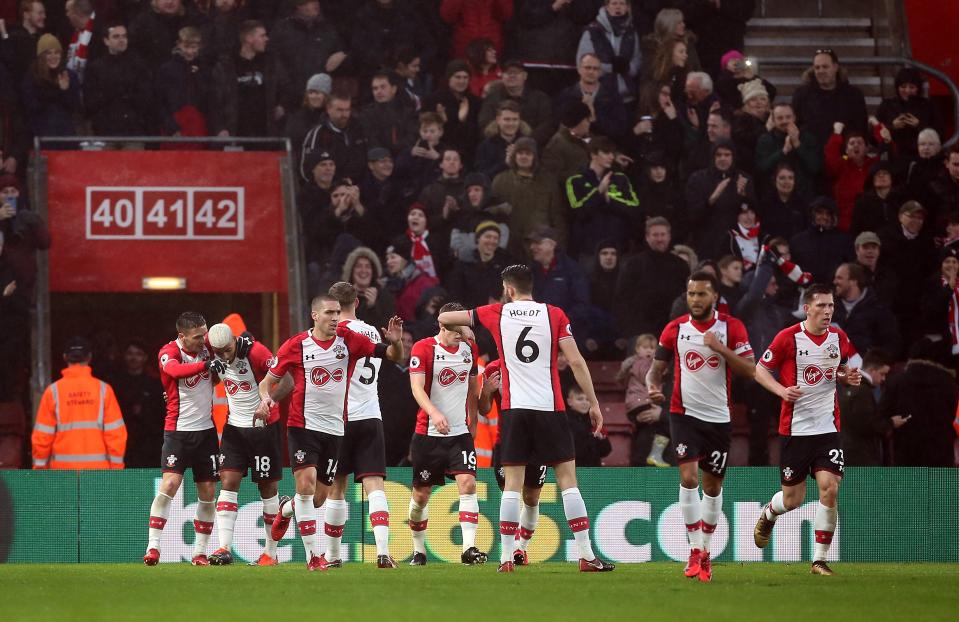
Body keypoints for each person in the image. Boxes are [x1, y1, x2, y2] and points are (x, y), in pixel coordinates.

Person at [437, 264, 616, 572]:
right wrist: (595, 403)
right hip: (550, 407)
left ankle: (506, 558)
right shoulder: (555, 314)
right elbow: (575, 360)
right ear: (533, 287)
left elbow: (444, 318)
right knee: (568, 483)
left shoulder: (497, 312)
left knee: (513, 485)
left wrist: (468, 326)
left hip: (515, 411)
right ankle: (586, 555)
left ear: (508, 289)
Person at [257, 295, 403, 571]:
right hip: (303, 426)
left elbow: (393, 357)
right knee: (306, 483)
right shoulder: (296, 345)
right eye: (329, 313)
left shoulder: (349, 339)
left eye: (337, 312)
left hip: (336, 429)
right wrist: (266, 399)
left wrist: (394, 341)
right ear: (314, 316)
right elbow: (267, 383)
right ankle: (314, 558)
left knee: (319, 498)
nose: (335, 318)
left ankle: (286, 509)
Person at [647, 271, 754, 582]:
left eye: (701, 294)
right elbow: (655, 371)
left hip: (718, 419)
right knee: (688, 476)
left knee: (712, 486)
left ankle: (706, 550)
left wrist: (720, 349)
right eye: (691, 294)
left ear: (715, 297)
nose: (695, 299)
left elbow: (750, 369)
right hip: (683, 414)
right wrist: (652, 386)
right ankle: (694, 550)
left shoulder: (731, 328)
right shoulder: (674, 329)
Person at [753, 284, 862, 576]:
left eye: (831, 306)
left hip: (827, 429)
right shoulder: (788, 338)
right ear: (807, 308)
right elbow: (760, 370)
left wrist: (847, 377)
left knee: (830, 489)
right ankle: (769, 512)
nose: (827, 311)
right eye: (822, 306)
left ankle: (818, 560)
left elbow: (840, 369)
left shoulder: (838, 337)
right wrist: (781, 390)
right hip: (795, 430)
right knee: (793, 500)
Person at [144, 311, 251, 567]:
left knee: (208, 492)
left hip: (205, 432)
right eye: (197, 337)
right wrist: (206, 366)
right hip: (178, 431)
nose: (204, 341)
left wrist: (245, 343)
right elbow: (174, 371)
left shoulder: (207, 350)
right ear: (182, 336)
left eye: (205, 334)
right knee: (170, 484)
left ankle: (199, 552)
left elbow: (228, 353)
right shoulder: (169, 351)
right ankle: (153, 546)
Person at [323, 282, 400, 569]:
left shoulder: (330, 333)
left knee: (336, 488)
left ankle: (333, 556)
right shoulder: (370, 332)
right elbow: (393, 357)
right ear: (357, 302)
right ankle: (383, 551)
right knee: (375, 486)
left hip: (339, 418)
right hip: (370, 414)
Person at [406, 302, 487, 566]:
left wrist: (472, 422)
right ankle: (419, 550)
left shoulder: (470, 349)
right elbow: (416, 388)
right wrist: (434, 413)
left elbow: (472, 387)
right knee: (421, 495)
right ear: (443, 324)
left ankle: (468, 549)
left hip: (459, 434)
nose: (463, 334)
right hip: (428, 434)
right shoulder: (423, 348)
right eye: (458, 329)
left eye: (466, 329)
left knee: (468, 484)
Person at [203, 324, 285, 567]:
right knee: (227, 482)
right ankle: (223, 548)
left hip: (263, 428)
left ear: (234, 341)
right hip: (234, 428)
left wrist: (268, 401)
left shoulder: (257, 352)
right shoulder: (212, 350)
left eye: (227, 350)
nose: (225, 356)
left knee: (267, 489)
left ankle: (270, 554)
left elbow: (287, 380)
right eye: (219, 352)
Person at [481, 358, 546, 566]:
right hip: (506, 440)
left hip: (536, 442)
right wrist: (487, 391)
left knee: (531, 497)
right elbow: (484, 408)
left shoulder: (540, 364)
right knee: (509, 493)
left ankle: (521, 548)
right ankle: (508, 553)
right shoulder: (493, 368)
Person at [31, 337, 126, 469]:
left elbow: (42, 436)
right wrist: (116, 468)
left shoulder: (53, 391)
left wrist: (40, 468)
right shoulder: (103, 390)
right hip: (98, 473)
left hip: (62, 472)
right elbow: (116, 434)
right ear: (89, 358)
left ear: (65, 357)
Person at [879, 339, 958, 467]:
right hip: (941, 454)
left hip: (906, 453)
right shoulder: (949, 384)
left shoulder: (896, 382)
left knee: (910, 487)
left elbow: (882, 417)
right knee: (939, 487)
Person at [565, 136, 639, 260]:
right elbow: (578, 212)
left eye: (612, 153)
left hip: (618, 249)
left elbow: (634, 208)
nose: (611, 157)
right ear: (593, 155)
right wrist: (599, 192)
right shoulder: (575, 181)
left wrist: (610, 200)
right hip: (588, 250)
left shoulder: (621, 178)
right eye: (606, 152)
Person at [210, 20, 287, 139]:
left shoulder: (271, 64)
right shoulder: (226, 67)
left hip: (266, 134)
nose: (267, 39)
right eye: (262, 36)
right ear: (249, 38)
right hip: (235, 132)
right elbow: (214, 101)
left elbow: (286, 88)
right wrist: (220, 128)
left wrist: (282, 105)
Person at [615, 216, 690, 337]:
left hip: (673, 330)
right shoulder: (633, 264)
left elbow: (687, 298)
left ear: (669, 236)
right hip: (640, 333)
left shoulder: (681, 266)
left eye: (663, 234)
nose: (660, 239)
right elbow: (622, 300)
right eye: (655, 235)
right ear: (647, 237)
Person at [494, 135, 565, 259]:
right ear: (514, 156)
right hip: (509, 245)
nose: (524, 156)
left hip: (539, 245)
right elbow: (491, 211)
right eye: (520, 153)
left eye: (528, 153)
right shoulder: (500, 180)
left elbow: (557, 215)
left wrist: (558, 243)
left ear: (534, 157)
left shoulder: (548, 181)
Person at [83, 21, 152, 137]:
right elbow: (90, 101)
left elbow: (146, 98)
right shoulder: (95, 68)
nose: (121, 40)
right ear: (106, 41)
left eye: (124, 36)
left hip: (133, 131)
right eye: (116, 36)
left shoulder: (139, 66)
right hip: (105, 132)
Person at [791, 49, 868, 148]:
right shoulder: (801, 95)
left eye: (825, 67)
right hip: (811, 154)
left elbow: (861, 128)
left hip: (844, 156)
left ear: (835, 67)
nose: (821, 71)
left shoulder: (854, 95)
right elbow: (795, 126)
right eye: (817, 67)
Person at [838, 349, 899, 466]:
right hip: (860, 458)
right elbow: (867, 425)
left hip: (846, 453)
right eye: (882, 374)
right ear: (871, 370)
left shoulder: (848, 387)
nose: (883, 379)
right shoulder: (863, 391)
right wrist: (891, 423)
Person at [109, 340, 165, 469]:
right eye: (130, 353)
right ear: (124, 356)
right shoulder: (115, 384)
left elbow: (161, 415)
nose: (134, 358)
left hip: (150, 444)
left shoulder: (155, 385)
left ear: (145, 358)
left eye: (138, 354)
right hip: (124, 443)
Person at [617, 334, 669, 467]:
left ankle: (654, 455)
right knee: (660, 426)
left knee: (656, 426)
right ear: (637, 349)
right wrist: (661, 371)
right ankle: (655, 454)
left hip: (638, 403)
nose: (649, 351)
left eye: (652, 348)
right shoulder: (640, 362)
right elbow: (647, 376)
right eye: (645, 347)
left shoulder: (646, 362)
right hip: (640, 402)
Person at [555, 52, 628, 146]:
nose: (591, 72)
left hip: (603, 149)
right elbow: (558, 124)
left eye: (595, 69)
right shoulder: (566, 95)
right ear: (579, 69)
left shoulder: (612, 97)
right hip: (572, 147)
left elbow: (619, 130)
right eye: (587, 68)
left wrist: (594, 119)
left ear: (600, 72)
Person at [576, 0, 641, 105]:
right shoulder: (592, 31)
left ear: (627, 7)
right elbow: (582, 63)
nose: (618, 7)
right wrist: (610, 68)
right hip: (600, 97)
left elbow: (637, 58)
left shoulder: (632, 32)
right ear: (606, 6)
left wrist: (628, 68)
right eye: (614, 3)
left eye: (622, 3)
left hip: (627, 97)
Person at [155, 27, 212, 143]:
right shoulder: (166, 69)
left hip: (199, 126)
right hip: (174, 126)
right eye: (186, 47)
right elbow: (159, 101)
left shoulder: (205, 69)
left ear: (200, 47)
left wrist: (198, 76)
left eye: (194, 47)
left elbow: (209, 98)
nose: (190, 52)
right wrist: (170, 126)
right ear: (178, 45)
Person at [831, 262, 900, 357]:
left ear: (853, 281)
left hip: (863, 367)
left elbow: (891, 344)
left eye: (839, 278)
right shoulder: (829, 307)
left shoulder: (878, 309)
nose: (834, 282)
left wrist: (873, 362)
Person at [477, 59, 553, 145]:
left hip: (531, 148)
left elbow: (547, 126)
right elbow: (484, 125)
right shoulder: (491, 98)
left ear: (525, 76)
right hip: (497, 147)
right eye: (508, 73)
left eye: (516, 73)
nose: (512, 75)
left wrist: (525, 143)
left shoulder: (540, 99)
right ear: (502, 76)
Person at [755, 103, 821, 200]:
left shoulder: (807, 138)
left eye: (788, 117)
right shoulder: (765, 140)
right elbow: (761, 168)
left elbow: (815, 167)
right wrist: (783, 151)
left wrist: (797, 144)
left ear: (794, 117)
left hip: (803, 196)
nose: (785, 121)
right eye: (780, 118)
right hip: (773, 197)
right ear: (773, 120)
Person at [299, 92, 368, 185]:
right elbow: (306, 169)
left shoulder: (360, 129)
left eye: (347, 110)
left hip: (359, 186)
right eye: (339, 110)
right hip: (329, 189)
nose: (344, 115)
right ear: (328, 109)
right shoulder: (318, 133)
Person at [21, 33, 81, 139]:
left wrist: (65, 90)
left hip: (66, 135)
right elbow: (32, 106)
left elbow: (75, 107)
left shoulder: (69, 75)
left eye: (57, 52)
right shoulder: (31, 77)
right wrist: (57, 92)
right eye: (49, 53)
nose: (54, 57)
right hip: (40, 135)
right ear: (41, 56)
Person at [876, 67, 939, 158]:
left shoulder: (928, 106)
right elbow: (873, 137)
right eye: (903, 86)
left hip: (922, 157)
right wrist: (892, 126)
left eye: (912, 87)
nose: (907, 91)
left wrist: (920, 126)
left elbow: (939, 134)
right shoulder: (887, 105)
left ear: (918, 88)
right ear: (897, 87)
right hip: (893, 157)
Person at [341, 246, 396, 330]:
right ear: (351, 271)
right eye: (359, 266)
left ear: (373, 272)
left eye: (368, 267)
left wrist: (372, 307)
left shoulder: (384, 296)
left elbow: (388, 330)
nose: (363, 270)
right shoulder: (341, 295)